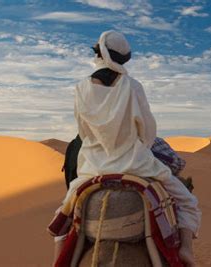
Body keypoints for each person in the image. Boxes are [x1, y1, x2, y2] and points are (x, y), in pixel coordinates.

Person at [53, 30, 201, 266]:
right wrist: (138, 146)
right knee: (187, 201)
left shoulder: (81, 88)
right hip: (137, 163)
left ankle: (58, 258)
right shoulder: (133, 86)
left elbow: (83, 130)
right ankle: (186, 249)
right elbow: (148, 129)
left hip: (93, 168)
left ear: (99, 54)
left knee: (64, 213)